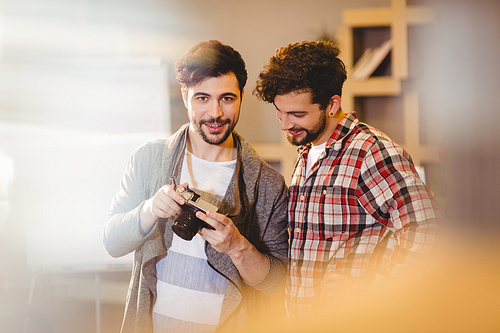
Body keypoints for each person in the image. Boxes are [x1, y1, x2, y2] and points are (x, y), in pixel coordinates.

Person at [104, 40, 289, 333]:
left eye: (227, 98)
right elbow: (112, 243)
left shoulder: (267, 184)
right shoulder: (149, 159)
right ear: (185, 95)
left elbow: (278, 283)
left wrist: (238, 247)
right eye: (202, 98)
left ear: (242, 95)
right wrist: (150, 209)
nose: (215, 113)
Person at [254, 40, 440, 318]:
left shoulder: (371, 151)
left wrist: (371, 286)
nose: (285, 125)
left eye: (297, 114)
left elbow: (427, 231)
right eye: (280, 112)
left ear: (332, 104)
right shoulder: (307, 150)